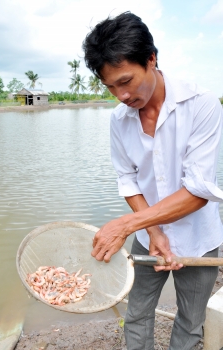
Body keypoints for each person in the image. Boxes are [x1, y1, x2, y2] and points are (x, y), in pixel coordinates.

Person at [83, 11, 223, 350]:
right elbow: (128, 178)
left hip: (199, 238)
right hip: (147, 238)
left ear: (151, 59)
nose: (121, 95)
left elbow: (198, 191)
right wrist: (152, 230)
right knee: (137, 314)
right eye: (110, 87)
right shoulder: (120, 120)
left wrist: (126, 225)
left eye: (126, 81)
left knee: (190, 323)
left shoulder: (201, 105)